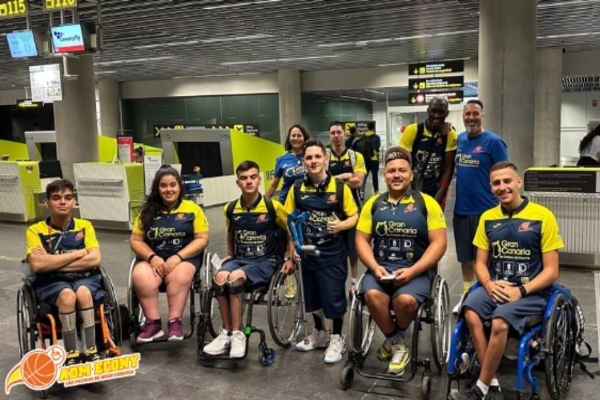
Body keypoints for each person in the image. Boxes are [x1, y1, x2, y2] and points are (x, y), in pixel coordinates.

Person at [448, 161, 564, 400]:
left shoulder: (543, 216)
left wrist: (521, 291)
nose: (502, 187)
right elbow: (480, 264)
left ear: (518, 182)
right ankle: (492, 384)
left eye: (507, 181)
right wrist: (489, 284)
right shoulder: (487, 218)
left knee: (500, 320)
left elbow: (552, 272)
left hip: (531, 292)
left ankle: (480, 389)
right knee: (470, 310)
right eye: (496, 183)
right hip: (496, 287)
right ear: (490, 187)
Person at [356, 147, 447, 376]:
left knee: (404, 301)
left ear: (411, 175)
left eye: (402, 171)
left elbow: (439, 243)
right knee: (372, 295)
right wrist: (374, 266)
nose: (396, 175)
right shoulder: (373, 204)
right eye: (391, 171)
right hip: (381, 268)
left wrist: (414, 271)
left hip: (416, 270)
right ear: (384, 175)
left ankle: (392, 340)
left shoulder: (427, 203)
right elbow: (361, 240)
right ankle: (397, 343)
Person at [203, 161, 294, 358]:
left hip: (266, 261)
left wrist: (289, 257)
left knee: (235, 276)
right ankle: (226, 333)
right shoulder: (230, 208)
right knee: (220, 277)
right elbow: (230, 231)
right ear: (238, 182)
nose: (249, 181)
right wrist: (230, 253)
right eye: (244, 178)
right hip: (241, 259)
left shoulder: (272, 206)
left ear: (259, 180)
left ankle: (238, 335)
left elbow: (290, 232)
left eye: (253, 177)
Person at [284, 138, 359, 364]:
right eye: (309, 157)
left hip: (333, 253)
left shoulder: (340, 188)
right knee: (313, 298)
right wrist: (292, 250)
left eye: (318, 156)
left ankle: (337, 338)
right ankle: (319, 334)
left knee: (333, 298)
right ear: (303, 161)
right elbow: (289, 221)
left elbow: (354, 216)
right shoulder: (297, 188)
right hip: (308, 254)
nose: (314, 161)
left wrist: (342, 225)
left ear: (326, 158)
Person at [25, 179, 103, 365]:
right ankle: (71, 353)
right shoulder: (34, 231)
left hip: (84, 278)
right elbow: (38, 266)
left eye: (68, 198)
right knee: (67, 296)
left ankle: (91, 349)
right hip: (51, 282)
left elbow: (95, 259)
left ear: (73, 202)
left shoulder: (85, 226)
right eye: (56, 198)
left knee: (83, 293)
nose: (63, 202)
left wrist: (51, 261)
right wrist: (80, 253)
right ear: (47, 203)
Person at [130, 165, 209, 342]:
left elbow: (202, 239)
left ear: (179, 186)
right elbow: (135, 241)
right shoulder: (146, 212)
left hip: (184, 258)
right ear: (157, 188)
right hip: (153, 258)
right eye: (163, 185)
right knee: (140, 275)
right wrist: (152, 257)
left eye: (173, 185)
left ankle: (175, 322)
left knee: (180, 275)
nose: (168, 189)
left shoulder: (193, 209)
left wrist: (179, 256)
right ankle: (153, 323)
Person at [453, 99, 508, 314]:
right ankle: (467, 295)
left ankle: (488, 297)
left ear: (482, 115)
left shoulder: (494, 142)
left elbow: (504, 174)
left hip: (486, 212)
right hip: (461, 211)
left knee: (486, 260)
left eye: (475, 113)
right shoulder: (460, 140)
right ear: (463, 116)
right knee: (466, 258)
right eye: (467, 114)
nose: (471, 118)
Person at [327, 121, 366, 294]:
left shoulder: (356, 156)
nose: (336, 136)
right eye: (333, 133)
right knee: (332, 245)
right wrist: (345, 175)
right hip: (330, 208)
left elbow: (358, 182)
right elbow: (321, 182)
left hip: (352, 208)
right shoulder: (325, 157)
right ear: (329, 136)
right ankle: (335, 281)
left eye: (339, 132)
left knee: (352, 248)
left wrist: (333, 180)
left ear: (345, 134)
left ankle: (354, 281)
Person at [399, 97, 457, 207]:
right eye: (433, 111)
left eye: (441, 112)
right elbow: (402, 164)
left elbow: (449, 168)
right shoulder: (413, 130)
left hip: (436, 188)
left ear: (447, 113)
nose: (437, 115)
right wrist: (408, 192)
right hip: (413, 187)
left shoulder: (450, 134)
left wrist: (440, 195)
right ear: (428, 111)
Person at [266, 124, 310, 202]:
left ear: (304, 138)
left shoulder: (311, 157)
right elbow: (273, 185)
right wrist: (263, 202)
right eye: (293, 135)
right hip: (286, 202)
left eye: (299, 135)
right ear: (289, 139)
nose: (296, 138)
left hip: (307, 201)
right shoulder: (281, 159)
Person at [354, 122, 381, 200]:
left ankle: (362, 192)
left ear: (367, 127)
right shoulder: (376, 137)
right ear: (373, 128)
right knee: (374, 176)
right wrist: (378, 159)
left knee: (364, 176)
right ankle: (376, 191)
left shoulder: (363, 136)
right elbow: (377, 149)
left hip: (365, 159)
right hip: (373, 159)